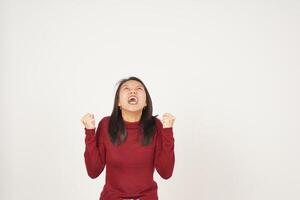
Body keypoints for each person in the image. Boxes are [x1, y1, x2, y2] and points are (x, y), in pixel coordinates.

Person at [81, 76, 176, 200]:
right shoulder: (106, 125)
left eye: (139, 89)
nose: (133, 91)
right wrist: (90, 132)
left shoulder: (156, 126)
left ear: (146, 102)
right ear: (118, 102)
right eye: (126, 88)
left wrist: (167, 131)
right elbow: (93, 171)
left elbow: (166, 172)